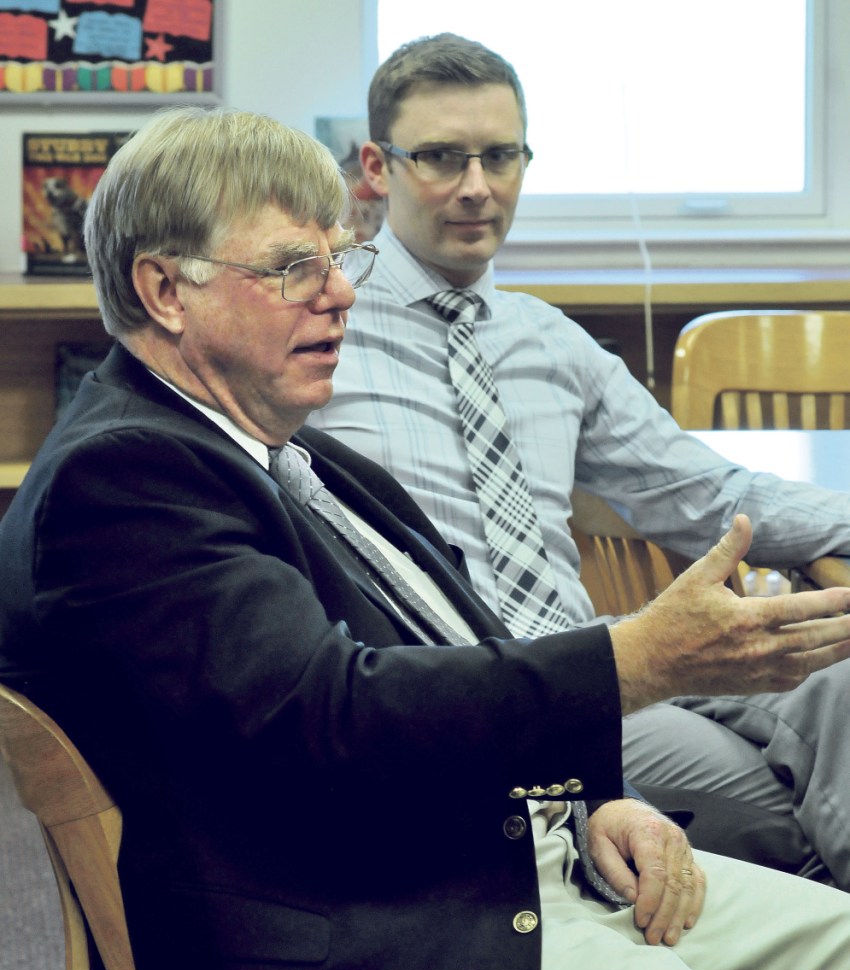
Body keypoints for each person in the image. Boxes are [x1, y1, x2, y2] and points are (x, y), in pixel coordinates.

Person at [4, 106, 850, 970]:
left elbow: (462, 640)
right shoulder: (123, 479)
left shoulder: (290, 450)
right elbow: (331, 717)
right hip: (404, 943)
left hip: (528, 866)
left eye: (339, 257)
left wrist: (604, 796)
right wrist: (637, 661)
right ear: (166, 290)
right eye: (295, 267)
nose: (340, 293)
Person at [310, 31, 850, 887]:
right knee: (772, 806)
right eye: (442, 157)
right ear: (377, 166)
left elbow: (710, 493)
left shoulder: (549, 340)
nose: (477, 187)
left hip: (614, 646)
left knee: (840, 678)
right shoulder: (318, 323)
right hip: (476, 686)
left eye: (501, 155)